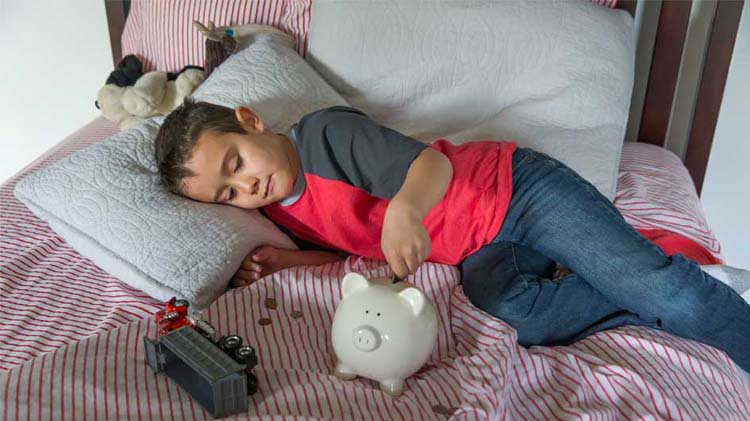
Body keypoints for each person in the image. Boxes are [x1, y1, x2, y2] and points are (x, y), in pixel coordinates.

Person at [154, 99, 750, 372]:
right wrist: (289, 262)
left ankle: (697, 292)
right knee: (529, 319)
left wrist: (406, 210)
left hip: (517, 191)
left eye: (235, 164)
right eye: (227, 195)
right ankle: (630, 285)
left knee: (672, 295)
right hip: (480, 249)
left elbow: (430, 167)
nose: (246, 187)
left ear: (250, 122)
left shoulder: (323, 138)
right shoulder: (282, 208)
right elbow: (344, 245)